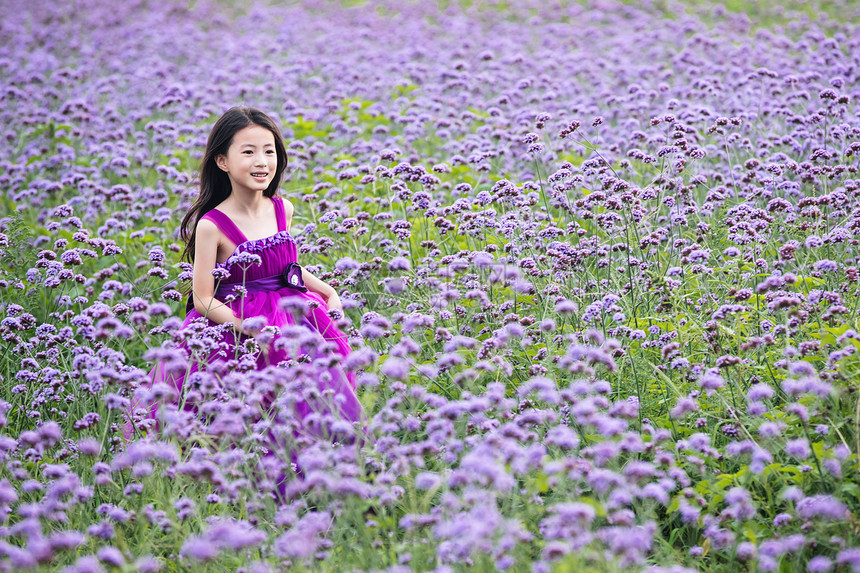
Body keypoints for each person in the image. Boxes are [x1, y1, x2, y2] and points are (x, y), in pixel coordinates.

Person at [124, 107, 363, 449]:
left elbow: (287, 267)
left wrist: (327, 291)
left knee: (314, 397)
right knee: (242, 413)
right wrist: (245, 326)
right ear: (222, 161)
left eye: (269, 152)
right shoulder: (212, 225)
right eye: (248, 152)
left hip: (293, 318)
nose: (261, 161)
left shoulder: (283, 208)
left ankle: (318, 473)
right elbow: (204, 297)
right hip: (237, 331)